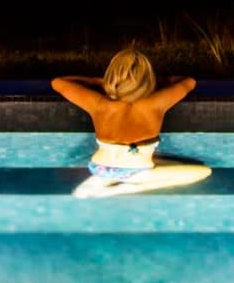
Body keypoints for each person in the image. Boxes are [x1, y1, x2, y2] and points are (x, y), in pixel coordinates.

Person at [52, 48, 212, 198]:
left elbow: (57, 83)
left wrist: (98, 82)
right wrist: (156, 83)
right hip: (137, 172)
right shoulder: (157, 102)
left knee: (172, 162)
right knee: (203, 171)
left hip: (99, 167)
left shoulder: (99, 104)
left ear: (111, 76)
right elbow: (189, 82)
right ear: (147, 78)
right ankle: (128, 187)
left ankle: (102, 179)